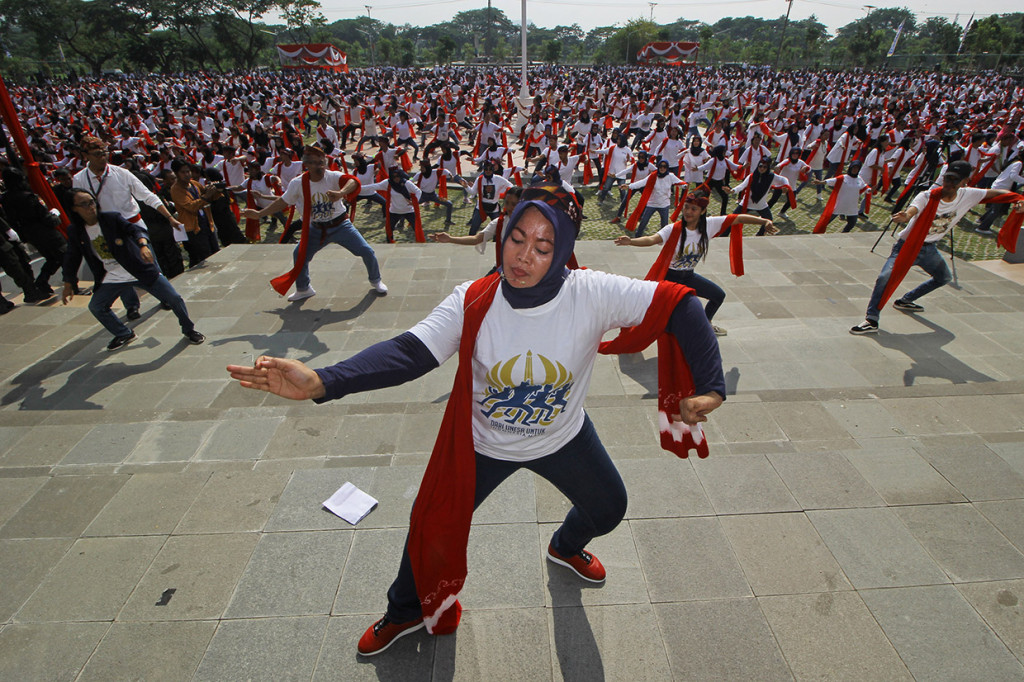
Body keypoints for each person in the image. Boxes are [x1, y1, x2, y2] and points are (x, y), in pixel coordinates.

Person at [226, 182, 725, 657]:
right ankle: (402, 612)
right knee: (431, 525)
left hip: (563, 437)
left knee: (610, 508)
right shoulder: (474, 299)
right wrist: (323, 381)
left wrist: (710, 386)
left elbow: (680, 304)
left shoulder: (590, 292)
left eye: (544, 245)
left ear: (564, 249)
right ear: (503, 234)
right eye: (517, 238)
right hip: (481, 444)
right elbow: (409, 352)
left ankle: (564, 545)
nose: (524, 256)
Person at [850, 160, 1024, 335]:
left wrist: (1018, 200)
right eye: (947, 178)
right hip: (907, 246)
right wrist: (906, 216)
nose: (948, 184)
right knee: (885, 277)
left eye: (954, 181)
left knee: (944, 277)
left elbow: (997, 193)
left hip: (929, 249)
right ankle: (871, 319)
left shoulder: (969, 194)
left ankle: (906, 299)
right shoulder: (928, 196)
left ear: (964, 182)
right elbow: (914, 208)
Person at [614, 191, 777, 336]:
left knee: (718, 296)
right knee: (663, 314)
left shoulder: (710, 225)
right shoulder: (673, 229)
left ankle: (706, 325)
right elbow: (652, 239)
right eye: (686, 207)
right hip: (670, 278)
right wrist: (631, 241)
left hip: (688, 276)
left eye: (693, 209)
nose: (688, 212)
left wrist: (764, 221)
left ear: (702, 211)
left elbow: (739, 218)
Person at [61, 188, 205, 351]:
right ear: (74, 208)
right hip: (111, 275)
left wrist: (143, 244)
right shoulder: (76, 230)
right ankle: (124, 333)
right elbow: (72, 256)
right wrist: (68, 283)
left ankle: (189, 330)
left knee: (174, 299)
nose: (90, 207)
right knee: (96, 306)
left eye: (92, 202)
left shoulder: (111, 219)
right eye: (84, 204)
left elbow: (135, 230)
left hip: (137, 268)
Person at [240, 145, 387, 301]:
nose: (319, 166)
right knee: (299, 255)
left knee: (366, 251)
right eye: (315, 163)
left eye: (321, 163)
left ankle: (376, 280)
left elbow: (353, 181)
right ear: (307, 165)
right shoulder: (298, 183)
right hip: (315, 228)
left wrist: (341, 193)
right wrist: (259, 214)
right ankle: (304, 288)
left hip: (340, 225)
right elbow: (283, 202)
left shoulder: (333, 176)